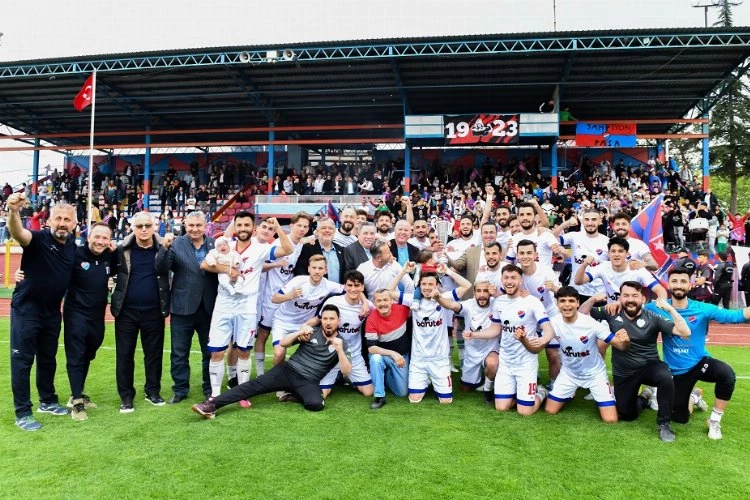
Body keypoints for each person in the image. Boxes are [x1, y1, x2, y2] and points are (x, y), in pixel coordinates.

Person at [642, 268, 750, 439]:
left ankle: (714, 421)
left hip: (700, 363)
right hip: (676, 371)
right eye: (674, 281)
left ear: (690, 285)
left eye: (683, 281)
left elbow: (736, 316)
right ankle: (694, 396)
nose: (678, 285)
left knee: (727, 374)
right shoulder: (656, 307)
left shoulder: (702, 308)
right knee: (680, 418)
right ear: (668, 285)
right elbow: (632, 309)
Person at [191, 305, 350, 418]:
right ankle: (211, 405)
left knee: (316, 405)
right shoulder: (311, 332)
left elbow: (346, 372)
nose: (328, 322)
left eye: (332, 319)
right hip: (287, 371)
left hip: (308, 381)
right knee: (253, 386)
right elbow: (284, 343)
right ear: (321, 320)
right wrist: (299, 333)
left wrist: (340, 350)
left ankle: (293, 394)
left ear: (338, 320)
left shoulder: (342, 343)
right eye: (325, 318)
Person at [201, 213, 293, 401]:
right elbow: (204, 264)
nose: (243, 228)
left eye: (247, 225)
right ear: (235, 227)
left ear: (253, 228)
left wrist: (277, 227)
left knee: (244, 350)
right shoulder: (225, 245)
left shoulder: (261, 249)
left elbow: (288, 249)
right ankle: (215, 396)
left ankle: (242, 393)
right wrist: (228, 270)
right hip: (224, 304)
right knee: (217, 351)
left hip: (247, 305)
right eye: (240, 225)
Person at [587, 283, 691, 442]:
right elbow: (581, 314)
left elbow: (685, 332)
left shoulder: (653, 317)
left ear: (643, 298)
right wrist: (593, 300)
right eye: (626, 295)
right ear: (620, 298)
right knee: (627, 415)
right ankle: (645, 397)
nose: (630, 299)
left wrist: (670, 309)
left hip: (649, 366)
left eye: (635, 296)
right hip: (624, 372)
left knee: (665, 376)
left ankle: (664, 424)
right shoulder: (611, 312)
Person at [7, 194, 77, 431]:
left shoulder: (72, 245)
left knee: (48, 359)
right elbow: (18, 233)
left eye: (67, 219)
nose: (62, 223)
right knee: (22, 361)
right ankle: (22, 412)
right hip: (27, 309)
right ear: (49, 221)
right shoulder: (37, 239)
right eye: (58, 218)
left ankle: (47, 401)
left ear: (74, 224)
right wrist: (13, 211)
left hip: (52, 312)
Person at [463, 265, 554, 416]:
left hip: (525, 363)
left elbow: (549, 330)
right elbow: (495, 329)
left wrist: (542, 339)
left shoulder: (532, 302)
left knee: (525, 411)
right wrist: (474, 334)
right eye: (506, 278)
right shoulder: (499, 302)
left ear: (520, 280)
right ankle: (521, 393)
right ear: (502, 280)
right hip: (506, 362)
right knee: (501, 407)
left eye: (513, 278)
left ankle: (541, 392)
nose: (509, 281)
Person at [111, 211, 171, 413]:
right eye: (139, 226)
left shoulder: (164, 248)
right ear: (132, 228)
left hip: (154, 311)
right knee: (124, 355)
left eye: (147, 225)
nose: (144, 229)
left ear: (154, 227)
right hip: (126, 312)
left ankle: (152, 391)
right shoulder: (121, 250)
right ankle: (126, 396)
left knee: (153, 354)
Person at [156, 210, 218, 404]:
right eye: (191, 225)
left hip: (209, 308)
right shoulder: (176, 244)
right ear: (185, 225)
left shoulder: (215, 244)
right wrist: (164, 248)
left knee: (210, 352)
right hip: (182, 308)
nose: (195, 229)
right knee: (179, 353)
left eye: (199, 225)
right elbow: (161, 268)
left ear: (205, 226)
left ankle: (209, 388)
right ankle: (180, 389)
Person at [545, 286, 626, 423]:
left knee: (610, 419)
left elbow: (619, 345)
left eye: (571, 301)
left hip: (595, 375)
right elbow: (541, 342)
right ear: (557, 304)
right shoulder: (553, 322)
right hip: (569, 374)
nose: (567, 305)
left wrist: (624, 340)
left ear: (578, 303)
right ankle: (545, 392)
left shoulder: (590, 323)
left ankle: (607, 392)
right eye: (562, 301)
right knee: (550, 410)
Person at [63, 223, 118, 420]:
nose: (100, 241)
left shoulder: (110, 256)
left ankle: (76, 393)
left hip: (97, 316)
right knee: (76, 355)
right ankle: (77, 402)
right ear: (89, 237)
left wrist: (116, 251)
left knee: (88, 353)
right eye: (97, 237)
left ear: (110, 241)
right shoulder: (75, 254)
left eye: (105, 238)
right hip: (76, 313)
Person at [255, 212, 311, 377]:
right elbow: (259, 265)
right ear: (292, 225)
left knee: (285, 339)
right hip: (270, 298)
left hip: (288, 299)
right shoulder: (279, 243)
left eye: (305, 226)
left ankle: (286, 372)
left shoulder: (302, 244)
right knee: (263, 334)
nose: (302, 229)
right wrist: (276, 264)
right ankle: (260, 374)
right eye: (299, 225)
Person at [406, 265, 472, 404]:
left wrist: (448, 271)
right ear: (419, 286)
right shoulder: (413, 300)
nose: (427, 287)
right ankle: (425, 381)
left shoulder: (444, 297)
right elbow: (390, 291)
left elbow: (467, 285)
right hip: (419, 359)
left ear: (437, 285)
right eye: (424, 284)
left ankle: (435, 380)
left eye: (431, 284)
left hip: (439, 359)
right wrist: (403, 271)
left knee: (446, 400)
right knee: (414, 399)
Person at [316, 271, 374, 400]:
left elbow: (380, 315)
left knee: (368, 391)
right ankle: (337, 375)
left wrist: (365, 301)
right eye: (350, 285)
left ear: (362, 287)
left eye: (357, 285)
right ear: (344, 286)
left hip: (353, 354)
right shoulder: (333, 301)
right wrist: (304, 327)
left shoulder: (368, 306)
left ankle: (346, 375)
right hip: (331, 354)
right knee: (322, 394)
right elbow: (319, 320)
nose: (353, 289)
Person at [574, 237, 667, 303]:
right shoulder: (603, 267)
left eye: (620, 251)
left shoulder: (637, 269)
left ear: (627, 254)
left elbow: (661, 291)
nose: (616, 254)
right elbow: (578, 281)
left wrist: (659, 306)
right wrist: (584, 265)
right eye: (613, 251)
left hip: (634, 312)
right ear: (608, 254)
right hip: (611, 313)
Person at [294, 218, 346, 283]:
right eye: (323, 228)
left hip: (338, 288)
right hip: (316, 288)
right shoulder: (308, 248)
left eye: (330, 228)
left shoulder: (341, 249)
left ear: (334, 232)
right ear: (317, 231)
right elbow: (300, 270)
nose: (327, 230)